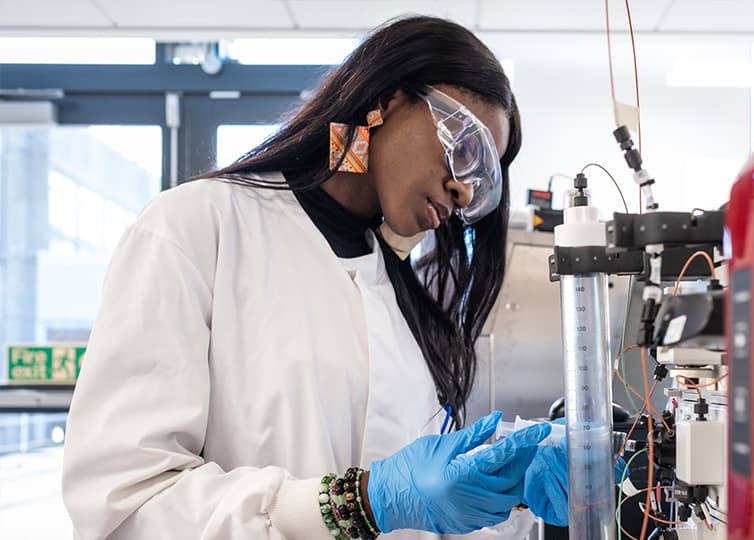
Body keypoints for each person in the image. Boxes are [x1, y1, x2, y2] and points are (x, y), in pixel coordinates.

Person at [62, 15, 570, 540]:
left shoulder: (394, 294)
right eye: (464, 149)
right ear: (386, 101)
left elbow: (417, 517)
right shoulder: (197, 228)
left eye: (483, 179)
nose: (463, 189)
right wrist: (356, 504)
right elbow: (128, 504)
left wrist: (508, 495)